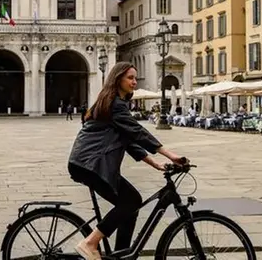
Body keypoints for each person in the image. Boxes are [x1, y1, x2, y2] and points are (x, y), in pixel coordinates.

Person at [68, 61, 186, 259]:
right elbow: (138, 132)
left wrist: (155, 163)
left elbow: (129, 141)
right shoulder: (115, 104)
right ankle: (90, 242)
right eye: (130, 78)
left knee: (130, 207)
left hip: (90, 163)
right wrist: (170, 154)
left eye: (134, 78)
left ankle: (119, 255)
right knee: (131, 201)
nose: (134, 82)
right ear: (118, 79)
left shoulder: (116, 103)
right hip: (90, 164)